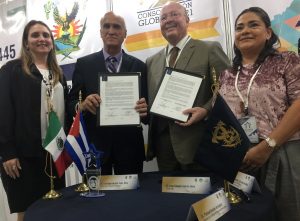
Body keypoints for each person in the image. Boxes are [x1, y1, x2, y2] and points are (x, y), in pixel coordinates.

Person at [219, 7, 300, 221]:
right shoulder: (227, 73)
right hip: (242, 157)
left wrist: (268, 145)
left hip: (282, 152)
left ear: (268, 33)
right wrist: (202, 111)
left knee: (287, 213)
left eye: (253, 24)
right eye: (239, 27)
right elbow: (220, 107)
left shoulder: (287, 61)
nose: (245, 30)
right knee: (248, 215)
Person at [146, 2, 230, 171]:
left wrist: (206, 110)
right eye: (163, 18)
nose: (168, 20)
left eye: (174, 15)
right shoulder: (151, 62)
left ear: (187, 19)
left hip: (198, 143)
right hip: (163, 147)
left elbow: (229, 89)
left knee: (201, 197)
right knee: (168, 197)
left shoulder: (209, 49)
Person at [0, 20, 67, 221]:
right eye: (35, 35)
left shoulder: (58, 73)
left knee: (55, 208)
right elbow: (3, 111)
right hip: (23, 155)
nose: (42, 39)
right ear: (26, 42)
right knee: (28, 210)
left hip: (53, 153)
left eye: (46, 35)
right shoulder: (11, 70)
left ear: (52, 42)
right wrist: (8, 152)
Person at [67, 12, 148, 175]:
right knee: (95, 199)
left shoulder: (139, 66)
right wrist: (81, 105)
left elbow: (148, 110)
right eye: (106, 26)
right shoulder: (84, 64)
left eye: (117, 27)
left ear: (125, 34)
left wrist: (145, 110)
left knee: (130, 199)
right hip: (94, 147)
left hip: (130, 148)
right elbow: (71, 102)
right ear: (100, 32)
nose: (111, 31)